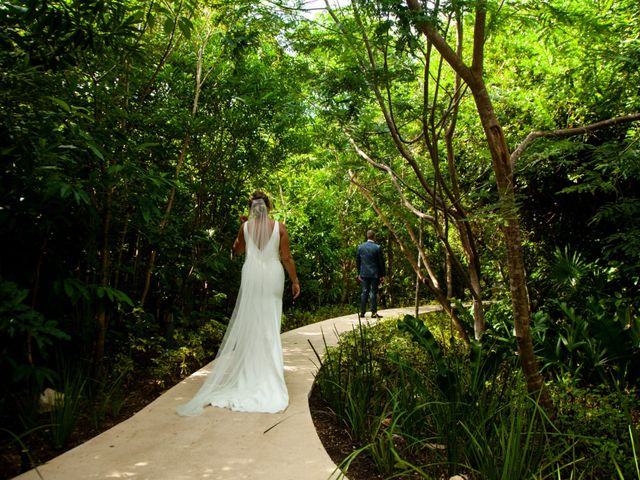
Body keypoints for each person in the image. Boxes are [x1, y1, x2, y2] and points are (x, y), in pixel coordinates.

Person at [176, 191, 300, 415]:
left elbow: (237, 249)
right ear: (269, 207)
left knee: (252, 322)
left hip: (252, 274)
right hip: (272, 275)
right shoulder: (280, 228)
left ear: (252, 209)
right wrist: (295, 280)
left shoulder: (244, 228)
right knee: (269, 324)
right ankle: (269, 374)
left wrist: (242, 229)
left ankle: (250, 372)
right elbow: (286, 258)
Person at [356, 230, 385, 319]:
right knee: (373, 292)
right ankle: (373, 313)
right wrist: (382, 275)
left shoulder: (360, 247)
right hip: (374, 274)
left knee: (364, 292)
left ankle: (362, 313)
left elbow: (358, 261)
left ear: (367, 236)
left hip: (364, 273)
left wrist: (359, 273)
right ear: (374, 236)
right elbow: (381, 263)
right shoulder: (377, 247)